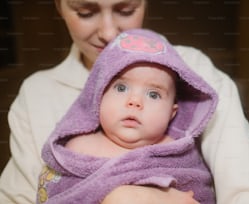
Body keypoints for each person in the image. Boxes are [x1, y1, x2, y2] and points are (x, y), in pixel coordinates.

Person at [0, 0, 249, 204]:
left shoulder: (194, 73)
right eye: (86, 12)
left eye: (126, 10)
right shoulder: (37, 93)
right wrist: (119, 198)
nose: (109, 32)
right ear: (58, 6)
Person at [37, 28, 217, 204]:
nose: (135, 101)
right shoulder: (75, 148)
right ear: (98, 96)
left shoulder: (177, 152)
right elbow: (57, 193)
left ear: (172, 113)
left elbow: (200, 193)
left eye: (153, 94)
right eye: (121, 88)